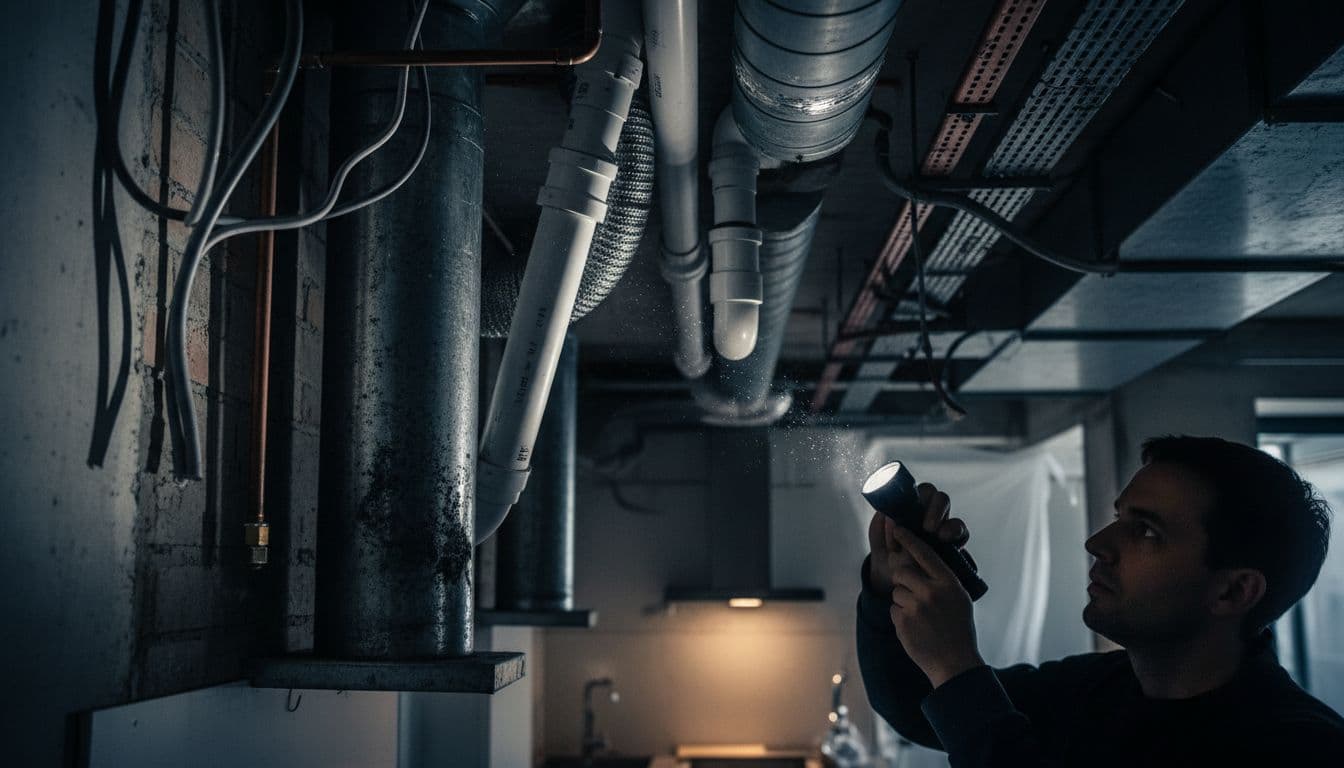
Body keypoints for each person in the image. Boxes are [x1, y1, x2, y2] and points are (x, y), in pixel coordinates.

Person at [856, 435, 1344, 766]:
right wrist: (888, 580)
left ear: (1234, 590)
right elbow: (912, 705)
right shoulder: (1091, 691)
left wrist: (958, 669)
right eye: (1119, 516)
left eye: (1146, 531)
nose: (1098, 543)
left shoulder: (1300, 747)